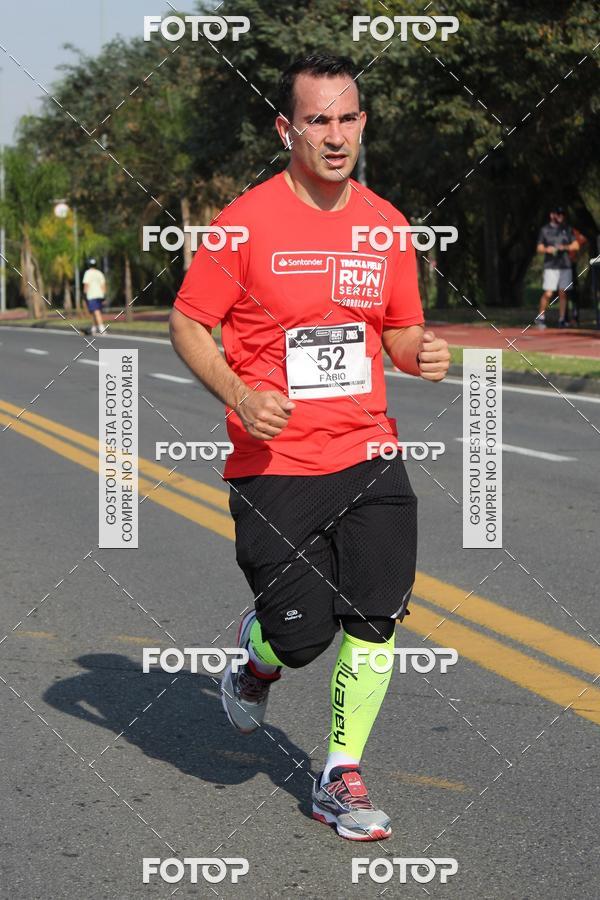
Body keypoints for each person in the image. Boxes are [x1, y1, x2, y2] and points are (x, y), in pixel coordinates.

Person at [169, 54, 450, 841]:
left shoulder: (386, 224)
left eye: (348, 118)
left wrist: (419, 351)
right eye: (317, 120)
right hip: (276, 465)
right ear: (286, 128)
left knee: (377, 616)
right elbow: (189, 323)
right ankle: (257, 658)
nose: (335, 135)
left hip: (368, 451)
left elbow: (396, 328)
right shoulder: (244, 222)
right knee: (300, 636)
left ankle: (339, 776)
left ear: (363, 123)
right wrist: (239, 394)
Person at [536, 207, 579, 328]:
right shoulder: (545, 230)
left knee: (563, 293)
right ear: (552, 215)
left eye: (562, 214)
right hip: (550, 266)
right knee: (548, 293)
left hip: (565, 265)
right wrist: (546, 249)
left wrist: (564, 248)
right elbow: (539, 248)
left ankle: (562, 319)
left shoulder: (567, 229)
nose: (560, 216)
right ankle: (541, 316)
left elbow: (576, 245)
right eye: (558, 214)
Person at [82, 258, 107, 335]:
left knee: (96, 311)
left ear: (89, 265)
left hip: (91, 295)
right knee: (93, 311)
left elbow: (86, 285)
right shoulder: (100, 273)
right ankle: (94, 328)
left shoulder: (88, 273)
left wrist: (84, 295)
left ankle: (102, 328)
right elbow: (103, 285)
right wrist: (104, 295)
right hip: (100, 295)